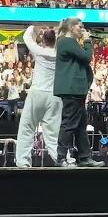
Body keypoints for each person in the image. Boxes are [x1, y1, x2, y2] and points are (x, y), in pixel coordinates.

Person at [15, 25, 70, 168]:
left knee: (27, 128)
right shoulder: (62, 54)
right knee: (54, 133)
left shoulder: (38, 50)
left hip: (37, 93)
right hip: (54, 96)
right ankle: (64, 160)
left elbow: (26, 37)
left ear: (44, 41)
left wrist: (34, 28)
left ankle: (23, 163)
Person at [54, 18, 104, 168]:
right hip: (72, 88)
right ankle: (61, 157)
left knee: (81, 125)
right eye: (80, 27)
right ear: (71, 27)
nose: (82, 30)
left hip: (76, 89)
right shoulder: (67, 42)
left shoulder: (68, 42)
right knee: (69, 123)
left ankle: (84, 157)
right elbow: (86, 57)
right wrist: (88, 41)